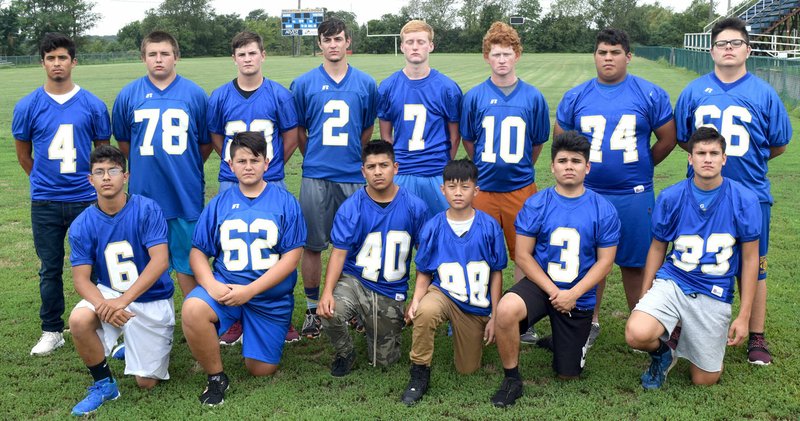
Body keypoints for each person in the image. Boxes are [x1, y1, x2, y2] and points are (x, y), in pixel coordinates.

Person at [674, 17, 792, 365]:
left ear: (748, 50)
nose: (728, 48)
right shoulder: (694, 91)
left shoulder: (764, 93)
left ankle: (756, 335)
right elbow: (685, 139)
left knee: (755, 266)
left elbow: (778, 144)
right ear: (711, 50)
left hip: (751, 191)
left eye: (735, 43)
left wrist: (743, 160)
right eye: (722, 43)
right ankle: (684, 324)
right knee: (693, 257)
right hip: (701, 194)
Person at [554, 28, 676, 349]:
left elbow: (668, 138)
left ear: (628, 56)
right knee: (590, 263)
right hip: (588, 194)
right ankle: (589, 320)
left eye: (615, 52)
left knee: (635, 264)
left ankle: (641, 320)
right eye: (602, 52)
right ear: (595, 56)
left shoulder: (648, 94)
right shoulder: (577, 96)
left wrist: (643, 165)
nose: (608, 58)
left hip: (634, 194)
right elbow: (562, 142)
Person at [491, 131, 619, 408]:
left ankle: (564, 342)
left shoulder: (603, 209)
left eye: (576, 160)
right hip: (541, 285)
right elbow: (523, 256)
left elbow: (605, 262)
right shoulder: (537, 203)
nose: (569, 166)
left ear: (587, 167)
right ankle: (512, 378)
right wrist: (554, 292)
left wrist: (572, 293)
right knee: (505, 310)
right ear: (552, 166)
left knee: (567, 374)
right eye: (562, 160)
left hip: (579, 292)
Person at [625, 126, 760, 389]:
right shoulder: (671, 196)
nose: (707, 158)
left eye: (713, 153)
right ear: (690, 158)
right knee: (636, 333)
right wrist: (645, 291)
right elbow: (657, 248)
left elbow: (751, 259)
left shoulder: (744, 200)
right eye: (700, 153)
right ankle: (664, 353)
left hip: (714, 291)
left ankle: (679, 333)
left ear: (724, 158)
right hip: (674, 281)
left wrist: (744, 316)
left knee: (704, 380)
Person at [181, 131, 306, 406]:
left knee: (260, 370)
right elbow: (198, 252)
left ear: (267, 163)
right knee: (193, 309)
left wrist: (249, 291)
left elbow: (291, 257)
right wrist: (211, 286)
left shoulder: (285, 202)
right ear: (230, 164)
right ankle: (216, 378)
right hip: (225, 289)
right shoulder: (219, 204)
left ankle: (254, 330)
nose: (248, 166)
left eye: (254, 160)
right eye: (241, 160)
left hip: (268, 297)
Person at [12, 32, 111, 356]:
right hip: (46, 202)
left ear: (73, 61)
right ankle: (52, 329)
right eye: (51, 58)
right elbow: (24, 155)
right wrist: (46, 182)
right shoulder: (28, 105)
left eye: (62, 57)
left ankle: (103, 325)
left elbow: (103, 155)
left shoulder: (93, 104)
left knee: (97, 265)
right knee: (50, 267)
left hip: (86, 200)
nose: (57, 63)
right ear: (43, 62)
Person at [207, 31, 301, 345]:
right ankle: (234, 316)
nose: (247, 59)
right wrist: (236, 165)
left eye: (252, 53)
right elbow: (217, 137)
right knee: (229, 248)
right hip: (230, 181)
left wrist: (269, 167)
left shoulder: (278, 95)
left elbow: (290, 137)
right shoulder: (220, 96)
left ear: (262, 55)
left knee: (275, 247)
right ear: (234, 58)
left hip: (271, 179)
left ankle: (280, 316)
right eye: (241, 54)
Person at [67, 145, 174, 416]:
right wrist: (104, 303)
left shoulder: (147, 209)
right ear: (90, 179)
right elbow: (81, 280)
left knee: (146, 382)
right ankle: (104, 384)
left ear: (125, 176)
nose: (106, 177)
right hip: (110, 291)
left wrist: (121, 302)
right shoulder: (82, 224)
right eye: (99, 172)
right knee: (79, 320)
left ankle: (133, 343)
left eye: (112, 171)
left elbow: (160, 261)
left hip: (151, 296)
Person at [460, 22, 550, 344]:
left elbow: (537, 143)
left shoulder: (534, 97)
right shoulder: (475, 97)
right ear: (487, 56)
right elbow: (470, 142)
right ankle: (475, 312)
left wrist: (519, 170)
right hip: (483, 188)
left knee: (524, 254)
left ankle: (521, 320)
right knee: (476, 250)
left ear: (517, 55)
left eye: (507, 54)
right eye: (496, 54)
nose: (501, 60)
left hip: (520, 188)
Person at [291, 18, 378, 340]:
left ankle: (351, 305)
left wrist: (356, 155)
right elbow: (299, 129)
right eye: (327, 40)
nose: (333, 45)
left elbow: (366, 129)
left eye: (338, 39)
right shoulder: (303, 83)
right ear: (320, 45)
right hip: (316, 174)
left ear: (347, 42)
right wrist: (313, 155)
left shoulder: (366, 83)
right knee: (313, 245)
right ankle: (313, 307)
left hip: (352, 176)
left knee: (356, 244)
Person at [112, 30, 211, 298]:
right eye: (152, 54)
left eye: (165, 54)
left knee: (189, 264)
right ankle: (153, 321)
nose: (159, 59)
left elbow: (204, 143)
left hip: (184, 194)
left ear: (176, 57)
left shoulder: (195, 94)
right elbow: (125, 143)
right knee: (145, 264)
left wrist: (183, 165)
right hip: (145, 194)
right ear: (143, 58)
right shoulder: (128, 94)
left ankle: (196, 319)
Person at [316, 140, 428, 377]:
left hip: (390, 288)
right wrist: (326, 293)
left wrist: (417, 297)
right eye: (371, 166)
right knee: (330, 312)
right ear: (363, 171)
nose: (378, 172)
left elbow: (425, 259)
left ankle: (373, 324)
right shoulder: (351, 207)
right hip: (357, 281)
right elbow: (338, 253)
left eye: (384, 165)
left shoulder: (414, 206)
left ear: (395, 168)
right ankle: (345, 352)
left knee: (383, 361)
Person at [401, 159, 506, 406]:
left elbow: (496, 272)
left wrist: (495, 314)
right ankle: (419, 371)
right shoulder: (434, 226)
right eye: (452, 186)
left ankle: (477, 332)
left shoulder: (490, 226)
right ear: (442, 189)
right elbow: (425, 271)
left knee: (467, 369)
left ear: (476, 190)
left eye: (465, 187)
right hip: (444, 293)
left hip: (475, 303)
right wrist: (416, 300)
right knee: (425, 312)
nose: (458, 193)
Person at [377, 19, 462, 219]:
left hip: (436, 173)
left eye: (421, 42)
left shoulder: (447, 88)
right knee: (400, 237)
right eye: (410, 42)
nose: (415, 47)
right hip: (402, 172)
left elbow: (454, 137)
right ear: (402, 46)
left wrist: (441, 164)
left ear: (431, 46)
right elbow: (386, 136)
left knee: (439, 236)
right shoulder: (388, 87)